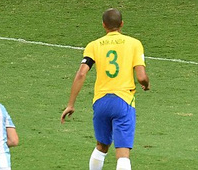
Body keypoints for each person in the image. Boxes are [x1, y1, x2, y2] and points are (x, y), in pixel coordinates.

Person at [61, 9, 150, 170]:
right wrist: (146, 84)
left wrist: (70, 104)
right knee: (122, 154)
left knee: (101, 146)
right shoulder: (134, 43)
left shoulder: (94, 45)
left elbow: (81, 73)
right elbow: (141, 76)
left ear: (103, 25)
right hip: (124, 100)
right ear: (122, 24)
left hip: (101, 102)